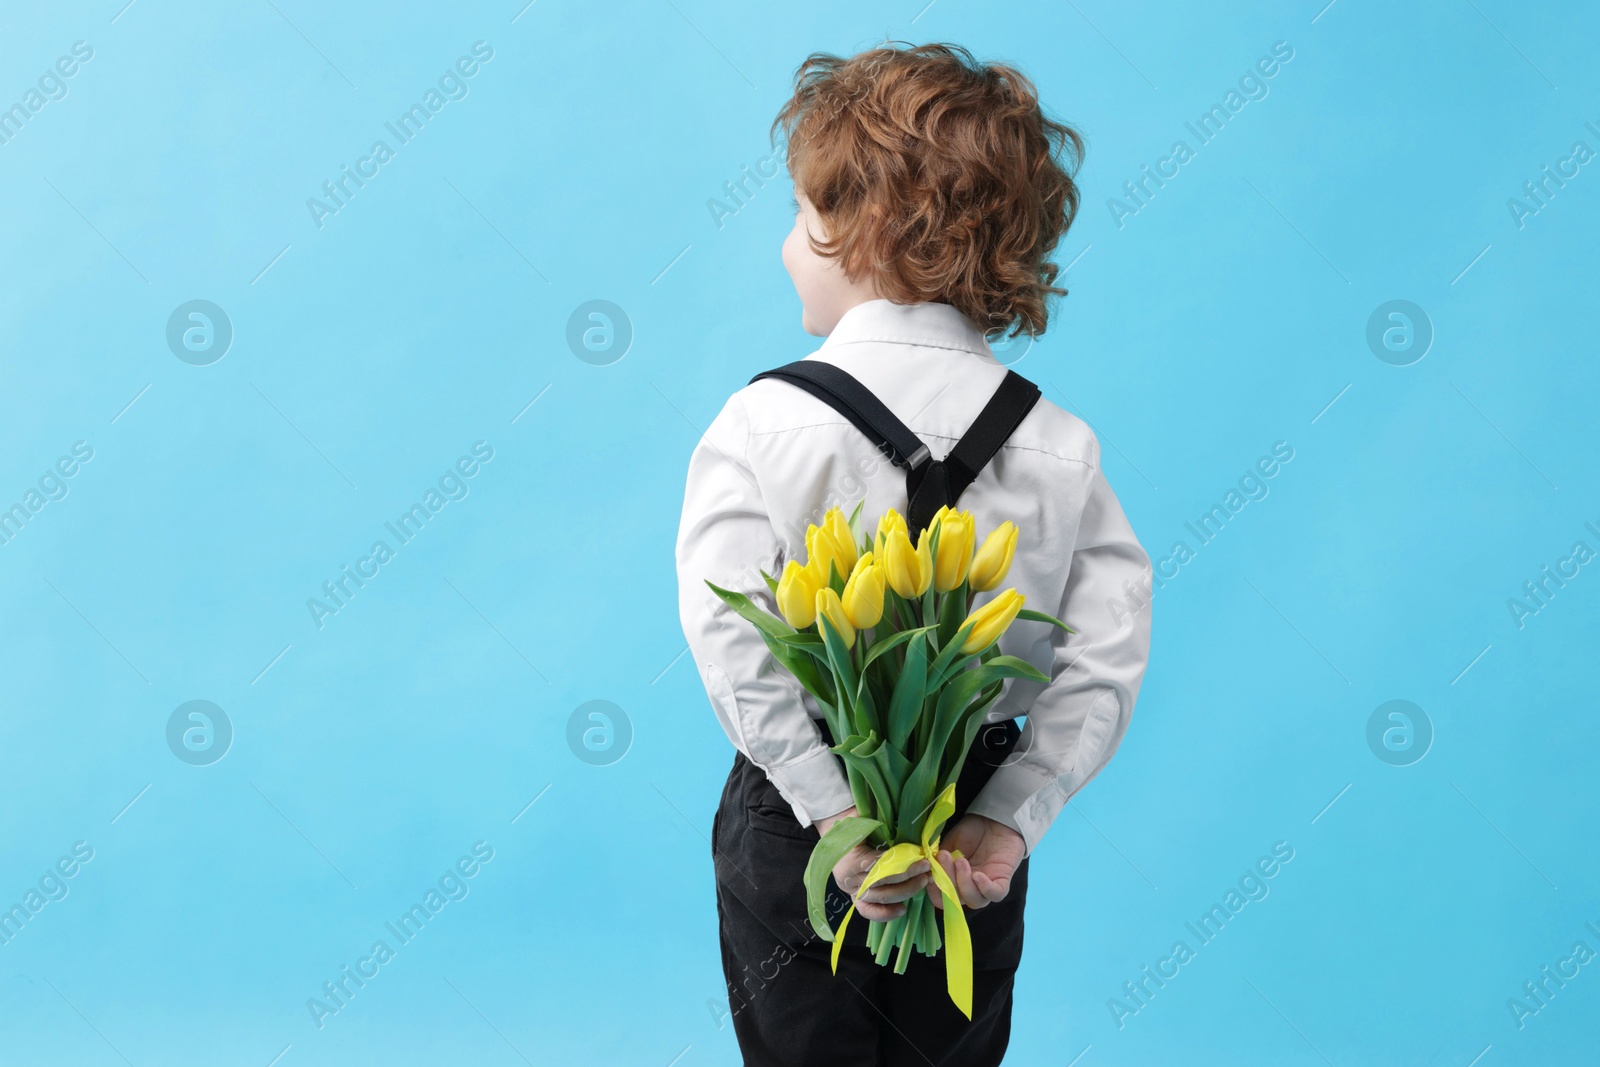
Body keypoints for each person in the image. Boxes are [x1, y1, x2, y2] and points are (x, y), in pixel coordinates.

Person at [675, 42, 1153, 1067]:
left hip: (795, 814)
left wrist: (835, 813)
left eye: (799, 213)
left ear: (860, 226)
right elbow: (1105, 655)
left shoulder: (760, 422)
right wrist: (1010, 816)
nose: (785, 242)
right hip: (969, 823)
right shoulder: (1059, 442)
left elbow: (731, 638)